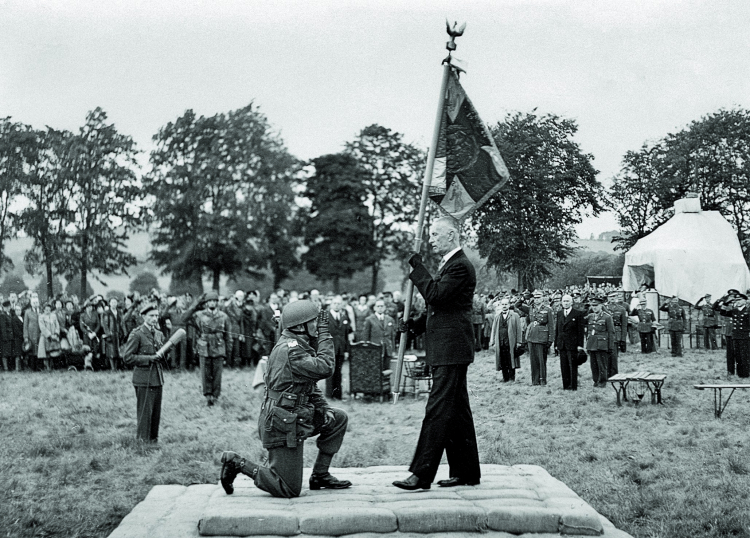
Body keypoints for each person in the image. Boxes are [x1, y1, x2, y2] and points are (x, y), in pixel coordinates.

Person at [219, 300, 352, 498]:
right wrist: (325, 333)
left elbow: (308, 384)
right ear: (299, 327)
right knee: (288, 488)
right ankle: (237, 463)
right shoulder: (292, 350)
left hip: (295, 414)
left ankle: (320, 475)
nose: (317, 325)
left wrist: (324, 408)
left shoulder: (297, 343)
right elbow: (325, 367)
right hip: (282, 422)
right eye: (314, 321)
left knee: (337, 419)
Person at [393, 216, 480, 491]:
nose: (431, 239)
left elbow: (436, 296)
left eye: (435, 234)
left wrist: (417, 268)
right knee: (457, 412)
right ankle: (466, 472)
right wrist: (414, 325)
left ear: (452, 235)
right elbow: (442, 309)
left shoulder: (460, 266)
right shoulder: (451, 264)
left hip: (451, 349)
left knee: (438, 410)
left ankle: (421, 474)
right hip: (449, 347)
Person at [123, 303, 166, 443]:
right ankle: (142, 442)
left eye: (156, 316)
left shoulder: (159, 334)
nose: (155, 318)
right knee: (145, 413)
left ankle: (153, 440)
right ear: (143, 317)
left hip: (157, 378)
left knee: (155, 413)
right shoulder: (137, 334)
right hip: (143, 379)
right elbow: (127, 357)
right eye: (151, 316)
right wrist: (149, 359)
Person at [183, 291, 231, 406]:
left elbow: (228, 336)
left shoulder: (224, 316)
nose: (212, 303)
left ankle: (215, 396)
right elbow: (184, 318)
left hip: (219, 347)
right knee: (205, 373)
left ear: (217, 302)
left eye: (214, 301)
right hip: (204, 346)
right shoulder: (199, 315)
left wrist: (228, 352)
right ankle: (208, 396)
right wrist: (196, 304)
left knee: (217, 373)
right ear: (206, 303)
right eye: (209, 301)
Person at [517, 290, 556, 386]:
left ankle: (542, 380)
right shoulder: (530, 308)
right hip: (531, 337)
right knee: (533, 360)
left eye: (539, 297)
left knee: (541, 360)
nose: (537, 299)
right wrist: (523, 298)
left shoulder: (548, 309)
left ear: (543, 298)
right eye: (535, 297)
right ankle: (535, 380)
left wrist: (550, 339)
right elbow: (517, 305)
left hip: (542, 337)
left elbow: (551, 325)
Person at [555, 294, 586, 390]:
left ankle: (573, 386)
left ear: (572, 302)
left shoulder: (577, 314)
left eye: (568, 301)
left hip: (573, 344)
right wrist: (556, 343)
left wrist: (580, 345)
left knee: (572, 366)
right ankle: (566, 386)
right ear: (561, 302)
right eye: (564, 301)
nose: (566, 303)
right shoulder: (559, 313)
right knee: (563, 366)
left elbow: (580, 331)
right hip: (562, 344)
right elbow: (558, 329)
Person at [488, 298, 522, 382]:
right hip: (500, 342)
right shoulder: (497, 316)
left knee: (511, 360)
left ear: (509, 305)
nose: (504, 306)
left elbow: (518, 329)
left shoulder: (515, 315)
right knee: (502, 361)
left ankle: (511, 378)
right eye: (502, 304)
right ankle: (505, 378)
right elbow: (494, 329)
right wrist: (492, 341)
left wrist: (518, 341)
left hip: (511, 342)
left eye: (506, 304)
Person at [326, 295, 352, 400]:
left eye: (339, 304)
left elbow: (346, 335)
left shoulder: (344, 317)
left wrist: (346, 350)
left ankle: (338, 394)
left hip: (341, 348)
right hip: (330, 349)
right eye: (335, 303)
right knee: (330, 372)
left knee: (339, 372)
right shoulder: (326, 317)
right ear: (331, 305)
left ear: (341, 305)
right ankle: (329, 394)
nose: (337, 306)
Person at [586, 296, 615, 387]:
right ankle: (596, 380)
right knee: (593, 364)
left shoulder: (607, 317)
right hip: (592, 344)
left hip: (602, 345)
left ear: (601, 305)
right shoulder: (590, 316)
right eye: (593, 305)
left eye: (596, 305)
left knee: (602, 364)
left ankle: (602, 381)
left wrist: (610, 347)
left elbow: (611, 332)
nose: (594, 307)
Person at [606, 290, 629, 376]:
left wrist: (623, 338)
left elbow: (624, 325)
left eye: (614, 297)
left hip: (616, 334)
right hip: (605, 334)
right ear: (608, 298)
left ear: (616, 298)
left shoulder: (621, 309)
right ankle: (606, 374)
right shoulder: (604, 308)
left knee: (614, 355)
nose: (612, 298)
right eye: (611, 297)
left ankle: (614, 374)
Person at [23, 295, 41, 370]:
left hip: (39, 333)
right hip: (31, 334)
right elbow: (25, 325)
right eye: (34, 302)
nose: (35, 304)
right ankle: (33, 367)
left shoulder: (41, 310)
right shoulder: (27, 312)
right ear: (31, 303)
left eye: (36, 302)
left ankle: (39, 366)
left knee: (39, 350)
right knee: (32, 351)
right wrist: (26, 336)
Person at [0, 300, 13, 371]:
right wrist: (4, 338)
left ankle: (8, 367)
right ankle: (5, 368)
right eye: (6, 307)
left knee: (8, 352)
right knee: (5, 353)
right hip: (5, 337)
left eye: (8, 307)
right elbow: (3, 327)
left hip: (10, 336)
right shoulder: (2, 315)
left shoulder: (9, 314)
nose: (7, 308)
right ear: (4, 307)